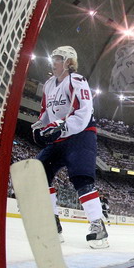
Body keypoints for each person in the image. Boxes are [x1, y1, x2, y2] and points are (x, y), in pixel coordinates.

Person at [32, 45, 109, 249]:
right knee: (39, 172)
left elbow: (84, 112)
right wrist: (39, 128)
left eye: (57, 59)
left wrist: (62, 127)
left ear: (68, 62)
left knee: (81, 178)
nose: (53, 62)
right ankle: (52, 225)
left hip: (80, 135)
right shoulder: (49, 84)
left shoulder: (77, 80)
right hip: (60, 137)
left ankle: (97, 225)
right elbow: (45, 114)